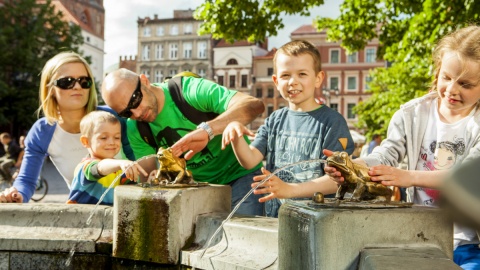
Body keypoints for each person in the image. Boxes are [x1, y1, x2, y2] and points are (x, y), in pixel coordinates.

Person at [324, 25, 480, 269]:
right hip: (420, 235)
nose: (451, 89)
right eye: (446, 77)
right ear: (438, 70)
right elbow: (386, 155)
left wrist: (407, 177)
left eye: (466, 85)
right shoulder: (412, 114)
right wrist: (354, 166)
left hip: (468, 243)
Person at [101, 68, 265, 216]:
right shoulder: (135, 127)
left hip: (241, 175)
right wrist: (151, 179)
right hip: (197, 187)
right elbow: (146, 177)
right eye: (126, 112)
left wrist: (208, 130)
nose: (136, 113)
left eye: (135, 100)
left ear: (144, 81)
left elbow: (253, 105)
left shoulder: (189, 90)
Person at [222, 40, 354, 217]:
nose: (293, 82)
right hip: (276, 217)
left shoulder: (332, 122)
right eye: (285, 75)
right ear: (276, 81)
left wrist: (289, 189)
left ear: (318, 79)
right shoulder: (275, 119)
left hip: (316, 221)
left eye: (302, 74)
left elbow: (339, 180)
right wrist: (235, 133)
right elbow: (250, 160)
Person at [0, 51, 134, 203]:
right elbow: (26, 181)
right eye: (67, 81)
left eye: (84, 81)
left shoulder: (113, 117)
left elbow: (138, 159)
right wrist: (15, 195)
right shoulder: (42, 131)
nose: (77, 86)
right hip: (86, 216)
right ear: (50, 89)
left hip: (129, 208)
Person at [67, 111, 147, 205]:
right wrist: (121, 163)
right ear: (86, 141)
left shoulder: (119, 169)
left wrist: (150, 182)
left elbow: (131, 193)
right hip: (79, 217)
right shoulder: (85, 167)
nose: (112, 142)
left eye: (117, 137)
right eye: (104, 138)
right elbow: (99, 168)